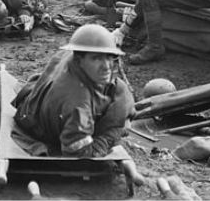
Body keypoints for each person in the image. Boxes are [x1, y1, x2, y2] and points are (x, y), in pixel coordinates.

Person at [12, 24, 134, 157]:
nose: (106, 66)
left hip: (47, 99)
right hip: (40, 124)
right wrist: (107, 139)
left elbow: (117, 87)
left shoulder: (73, 55)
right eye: (96, 58)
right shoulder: (77, 103)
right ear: (78, 60)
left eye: (109, 57)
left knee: (121, 93)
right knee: (119, 122)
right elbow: (78, 152)